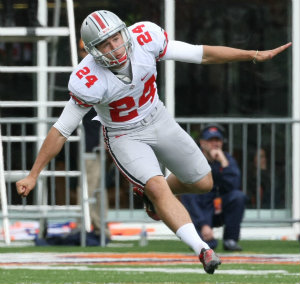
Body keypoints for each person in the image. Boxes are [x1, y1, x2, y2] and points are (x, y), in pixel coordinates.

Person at [16, 10, 291, 274]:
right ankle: (202, 248)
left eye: (116, 38)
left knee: (204, 183)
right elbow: (61, 129)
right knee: (158, 185)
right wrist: (33, 173)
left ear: (124, 32)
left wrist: (252, 55)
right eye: (105, 43)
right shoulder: (87, 78)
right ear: (92, 50)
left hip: (158, 118)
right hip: (124, 134)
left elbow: (200, 54)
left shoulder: (145, 38)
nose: (115, 47)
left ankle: (151, 196)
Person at [180, 125, 246, 251]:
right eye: (211, 140)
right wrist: (203, 224)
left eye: (218, 140)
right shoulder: (194, 160)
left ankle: (230, 240)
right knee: (208, 246)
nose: (215, 144)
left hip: (219, 207)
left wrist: (224, 163)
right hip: (201, 209)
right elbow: (190, 198)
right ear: (202, 143)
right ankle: (201, 235)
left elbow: (235, 185)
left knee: (238, 196)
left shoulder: (226, 159)